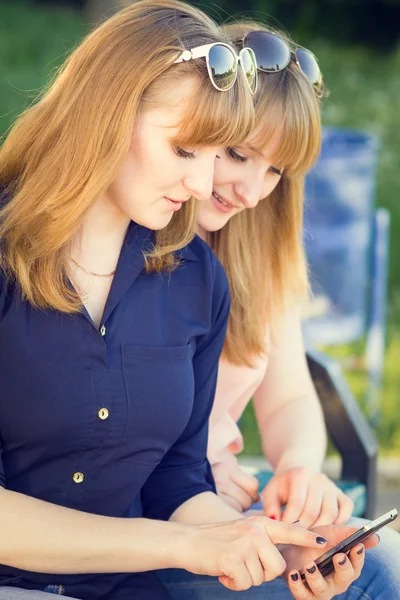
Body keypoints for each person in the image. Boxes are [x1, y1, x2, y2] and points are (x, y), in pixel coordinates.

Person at [0, 2, 344, 598]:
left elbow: (175, 481)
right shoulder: (11, 255)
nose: (201, 184)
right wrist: (186, 545)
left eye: (214, 156)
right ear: (110, 110)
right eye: (187, 151)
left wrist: (271, 541)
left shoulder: (197, 279)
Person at [157, 20, 400, 600]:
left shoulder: (255, 248)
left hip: (225, 501)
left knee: (370, 561)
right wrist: (196, 489)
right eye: (238, 155)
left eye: (275, 172)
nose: (251, 189)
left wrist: (296, 468)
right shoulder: (145, 244)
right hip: (161, 519)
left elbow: (290, 393)